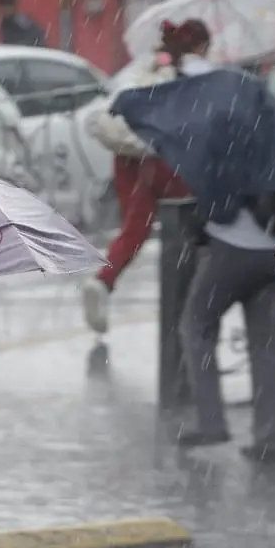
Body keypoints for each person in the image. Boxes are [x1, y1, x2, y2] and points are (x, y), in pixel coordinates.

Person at [163, 19, 275, 463]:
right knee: (266, 341)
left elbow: (216, 192)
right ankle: (273, 435)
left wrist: (200, 226)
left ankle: (211, 421)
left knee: (196, 324)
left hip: (235, 246)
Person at [84, 48, 188, 334]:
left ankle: (103, 280)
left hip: (127, 156)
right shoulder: (188, 76)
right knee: (192, 217)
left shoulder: (140, 70)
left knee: (134, 227)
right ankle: (187, 300)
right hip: (162, 157)